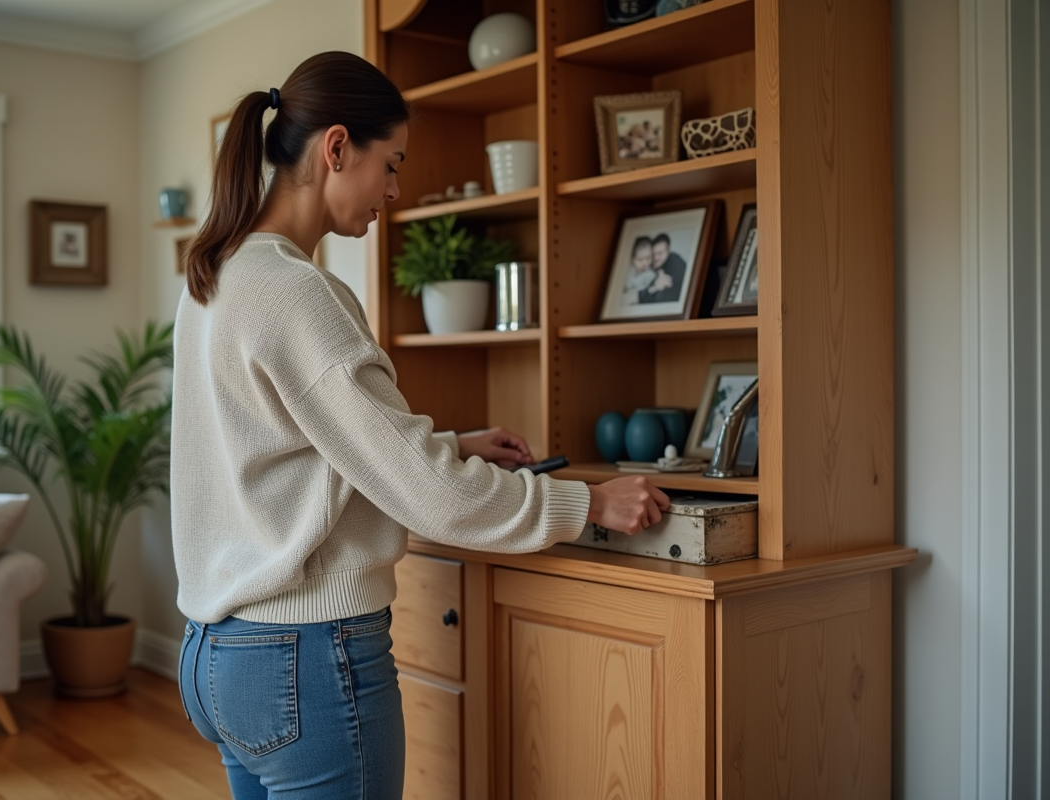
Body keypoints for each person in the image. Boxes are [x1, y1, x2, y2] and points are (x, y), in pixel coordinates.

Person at [171, 51, 671, 800]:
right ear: (336, 148)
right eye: (392, 164)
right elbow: (431, 497)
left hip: (217, 657)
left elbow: (285, 451)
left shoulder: (215, 275)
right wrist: (590, 504)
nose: (396, 191)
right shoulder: (299, 293)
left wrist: (455, 445)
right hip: (305, 656)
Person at [637, 232, 688, 304]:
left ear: (669, 250)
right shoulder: (655, 265)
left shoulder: (676, 267)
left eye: (660, 253)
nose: (656, 258)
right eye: (653, 254)